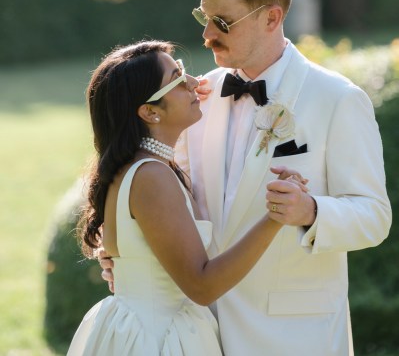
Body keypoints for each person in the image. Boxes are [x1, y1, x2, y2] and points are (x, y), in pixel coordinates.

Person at [100, 0, 392, 356]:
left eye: (223, 22)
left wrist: (311, 211)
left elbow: (375, 215)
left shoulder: (338, 99)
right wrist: (131, 256)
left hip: (295, 337)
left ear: (272, 18)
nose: (206, 35)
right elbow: (167, 197)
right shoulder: (194, 101)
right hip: (203, 331)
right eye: (205, 16)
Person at [67, 40, 306, 355]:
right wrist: (275, 216)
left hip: (149, 325)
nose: (194, 82)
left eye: (183, 71)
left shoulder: (147, 167)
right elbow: (201, 286)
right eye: (177, 80)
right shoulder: (151, 176)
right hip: (156, 338)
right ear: (150, 112)